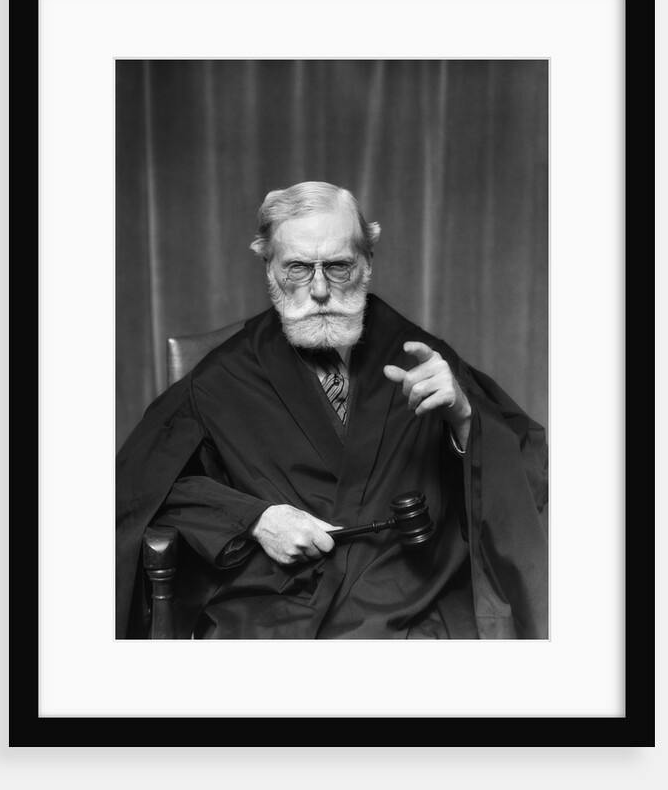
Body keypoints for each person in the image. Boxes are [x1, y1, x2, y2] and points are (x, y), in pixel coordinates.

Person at [116, 181, 548, 640]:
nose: (319, 289)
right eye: (298, 268)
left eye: (338, 266)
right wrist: (255, 519)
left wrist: (464, 418)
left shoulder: (419, 356)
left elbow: (526, 466)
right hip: (277, 605)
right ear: (268, 266)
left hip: (414, 597)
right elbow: (141, 486)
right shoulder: (223, 378)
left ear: (367, 263)